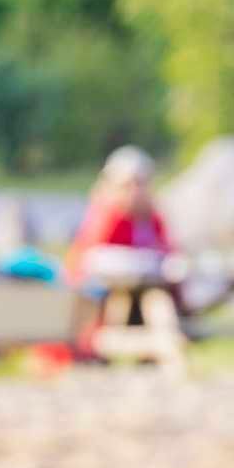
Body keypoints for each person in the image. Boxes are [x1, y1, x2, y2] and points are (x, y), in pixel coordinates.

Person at [65, 146, 187, 372]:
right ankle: (160, 346)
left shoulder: (153, 217)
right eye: (127, 185)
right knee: (135, 302)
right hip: (104, 296)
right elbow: (88, 257)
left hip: (144, 289)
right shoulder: (106, 214)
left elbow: (169, 249)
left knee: (156, 299)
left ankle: (165, 347)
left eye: (140, 183)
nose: (135, 191)